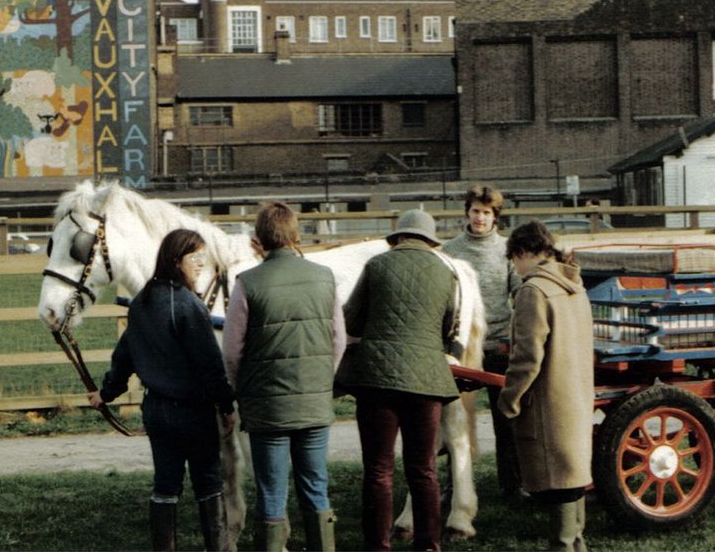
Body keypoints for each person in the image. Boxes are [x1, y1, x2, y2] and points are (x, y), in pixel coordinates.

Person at [88, 228, 236, 552]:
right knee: (209, 486)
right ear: (175, 260)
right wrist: (226, 406)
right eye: (194, 257)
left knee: (165, 487)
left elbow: (124, 355)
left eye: (203, 257)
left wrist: (106, 393)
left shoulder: (140, 303)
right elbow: (210, 365)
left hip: (156, 411)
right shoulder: (189, 305)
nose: (200, 264)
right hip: (193, 412)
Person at [222, 201, 343, 552]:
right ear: (296, 234)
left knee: (271, 491)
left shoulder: (247, 283)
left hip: (267, 409)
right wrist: (322, 381)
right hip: (314, 400)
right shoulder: (325, 277)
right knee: (315, 486)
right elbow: (338, 341)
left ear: (259, 239)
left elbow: (232, 352)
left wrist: (239, 390)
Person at [336, 209, 459, 552]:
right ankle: (429, 545)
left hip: (377, 379)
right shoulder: (444, 271)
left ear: (398, 237)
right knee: (423, 469)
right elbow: (448, 327)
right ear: (429, 241)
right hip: (426, 382)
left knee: (379, 470)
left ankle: (378, 546)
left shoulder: (377, 265)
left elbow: (351, 320)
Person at [498, 220, 594, 551]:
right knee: (573, 477)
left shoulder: (533, 291)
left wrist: (509, 399)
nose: (515, 268)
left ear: (523, 253)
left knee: (559, 484)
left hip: (547, 403)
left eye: (514, 260)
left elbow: (526, 357)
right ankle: (575, 543)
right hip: (576, 398)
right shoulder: (574, 285)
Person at [440, 185, 523, 497]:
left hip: (499, 344)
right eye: (475, 210)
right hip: (460, 349)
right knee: (454, 417)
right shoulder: (450, 249)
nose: (480, 217)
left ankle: (512, 485)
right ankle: (453, 486)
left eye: (486, 212)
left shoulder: (507, 250)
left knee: (507, 419)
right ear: (467, 212)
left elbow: (519, 291)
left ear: (495, 217)